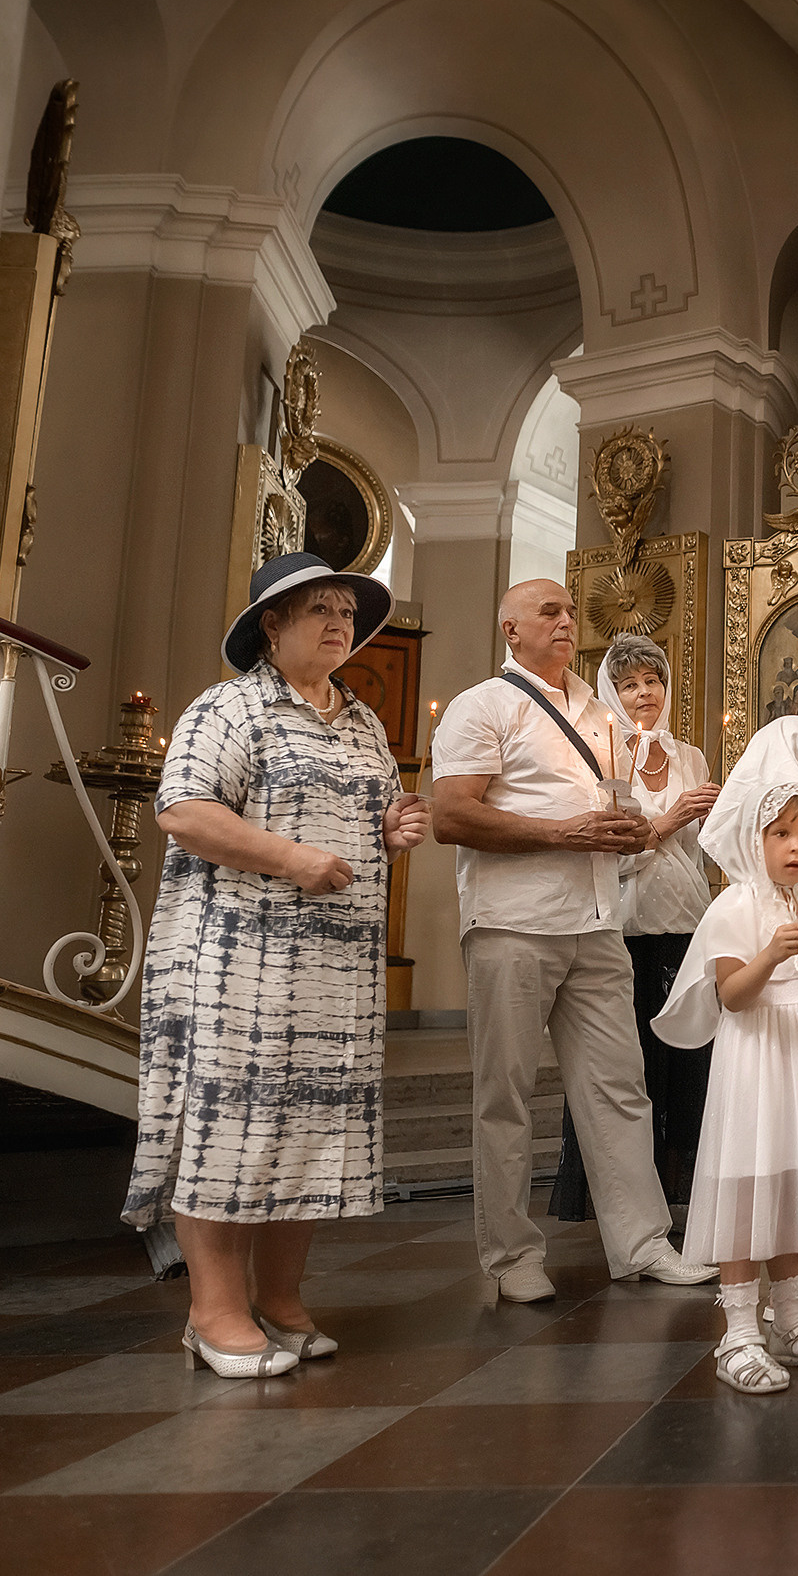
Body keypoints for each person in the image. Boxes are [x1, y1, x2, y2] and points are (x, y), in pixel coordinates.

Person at [124, 552, 429, 1376]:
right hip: (237, 958)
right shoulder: (227, 709)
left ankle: (281, 1299)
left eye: (347, 611)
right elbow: (184, 813)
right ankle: (213, 1310)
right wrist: (292, 856)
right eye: (319, 609)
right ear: (271, 624)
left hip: (334, 967)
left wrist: (393, 829)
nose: (340, 623)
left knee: (308, 1129)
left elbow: (368, 818)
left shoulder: (363, 721)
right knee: (233, 1129)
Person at [430, 580, 714, 1301]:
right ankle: (512, 1256)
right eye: (548, 611)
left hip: (595, 920)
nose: (566, 620)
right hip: (512, 922)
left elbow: (616, 819)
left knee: (621, 1086)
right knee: (507, 1094)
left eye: (569, 610)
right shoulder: (482, 705)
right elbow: (451, 816)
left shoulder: (599, 712)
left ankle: (643, 1241)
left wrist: (630, 831)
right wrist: (563, 833)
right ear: (509, 628)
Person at [652, 718, 798, 1394]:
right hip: (756, 1068)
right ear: (756, 838)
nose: (797, 847)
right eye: (783, 833)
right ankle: (739, 1335)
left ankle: (792, 1321)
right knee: (753, 1192)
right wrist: (768, 954)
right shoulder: (734, 908)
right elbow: (734, 996)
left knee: (792, 1190)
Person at [551, 634, 720, 1221]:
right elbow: (615, 854)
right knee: (630, 1064)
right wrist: (671, 819)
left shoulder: (689, 756)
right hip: (624, 925)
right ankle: (622, 1198)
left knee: (686, 1059)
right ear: (612, 694)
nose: (644, 693)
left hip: (686, 921)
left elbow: (697, 851)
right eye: (629, 684)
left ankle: (681, 1188)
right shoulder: (602, 759)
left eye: (652, 681)